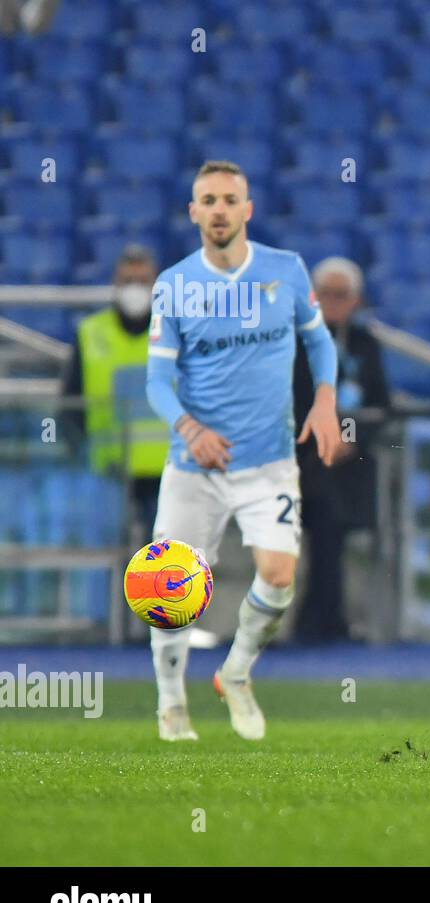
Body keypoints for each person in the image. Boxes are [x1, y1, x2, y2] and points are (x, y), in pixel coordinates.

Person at [145, 159, 342, 742]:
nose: (220, 209)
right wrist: (188, 429)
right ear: (194, 212)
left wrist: (325, 399)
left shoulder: (284, 270)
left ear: (247, 209)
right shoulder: (175, 285)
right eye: (208, 200)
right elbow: (156, 380)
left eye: (230, 199)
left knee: (279, 577)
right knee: (170, 593)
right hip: (194, 467)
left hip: (269, 461)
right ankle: (171, 703)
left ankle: (235, 672)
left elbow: (319, 339)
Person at [291, 256, 391, 644]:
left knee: (335, 533)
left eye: (342, 295)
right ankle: (319, 619)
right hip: (306, 461)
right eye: (326, 294)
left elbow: (380, 403)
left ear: (356, 299)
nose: (334, 302)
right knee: (324, 527)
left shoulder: (365, 345)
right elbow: (290, 402)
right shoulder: (298, 344)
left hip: (352, 465)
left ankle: (324, 619)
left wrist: (352, 439)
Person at [61, 245, 168, 538]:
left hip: (166, 473)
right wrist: (73, 448)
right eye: (128, 281)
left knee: (162, 564)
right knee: (108, 556)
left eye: (143, 281)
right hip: (108, 472)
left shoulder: (177, 333)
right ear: (115, 284)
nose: (135, 289)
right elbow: (68, 406)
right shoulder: (91, 332)